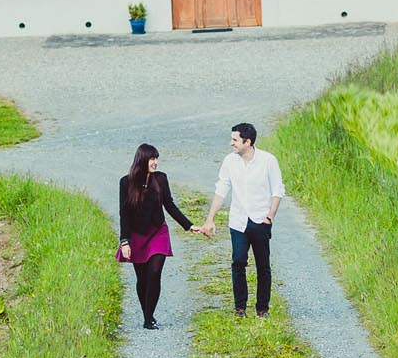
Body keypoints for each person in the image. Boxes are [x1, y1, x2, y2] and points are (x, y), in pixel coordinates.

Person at [199, 121, 284, 318]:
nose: (231, 143)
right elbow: (221, 189)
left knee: (263, 265)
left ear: (248, 141)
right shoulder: (230, 161)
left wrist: (270, 216)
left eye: (235, 140)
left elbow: (278, 190)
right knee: (238, 262)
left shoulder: (268, 161)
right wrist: (210, 219)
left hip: (260, 219)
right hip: (238, 221)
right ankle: (240, 308)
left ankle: (262, 308)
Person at [118, 141, 194, 330]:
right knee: (142, 278)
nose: (155, 162)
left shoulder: (160, 179)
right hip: (136, 235)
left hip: (158, 232)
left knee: (154, 272)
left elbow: (169, 205)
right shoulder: (126, 182)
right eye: (152, 158)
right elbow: (124, 213)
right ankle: (146, 314)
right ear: (142, 160)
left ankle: (148, 317)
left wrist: (189, 226)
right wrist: (125, 241)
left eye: (156, 158)